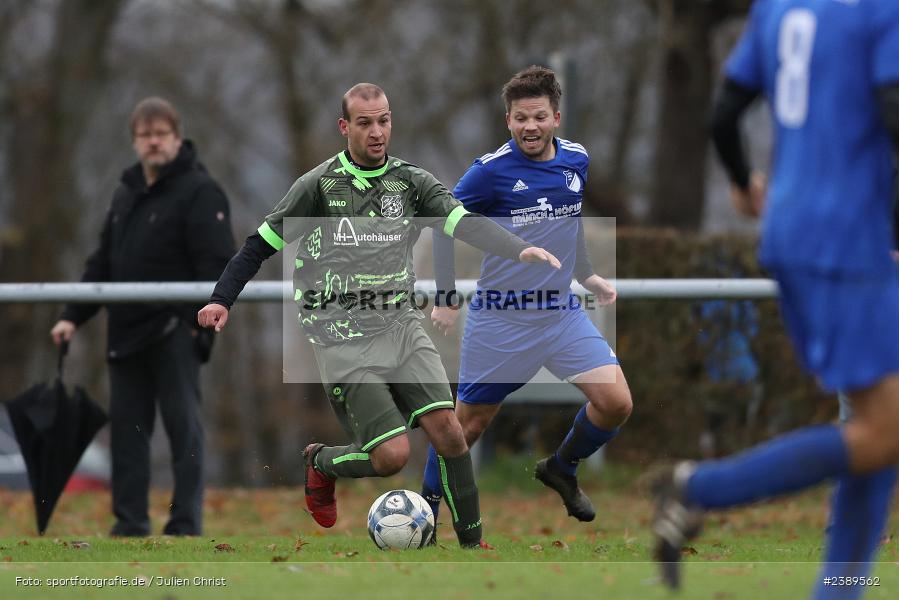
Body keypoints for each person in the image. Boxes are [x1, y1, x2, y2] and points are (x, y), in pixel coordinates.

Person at [197, 83, 562, 548]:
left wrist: (519, 249)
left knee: (450, 432)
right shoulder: (317, 187)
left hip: (401, 324)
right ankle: (322, 463)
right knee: (391, 457)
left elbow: (460, 222)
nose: (377, 131)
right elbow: (257, 247)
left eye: (384, 120)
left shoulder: (411, 182)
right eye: (365, 122)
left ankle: (473, 547)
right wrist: (221, 299)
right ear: (344, 127)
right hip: (341, 334)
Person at [651, 1, 899, 595]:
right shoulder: (880, 11)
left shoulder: (780, 6)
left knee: (879, 430)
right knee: (883, 432)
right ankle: (697, 488)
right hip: (847, 242)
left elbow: (725, 114)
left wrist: (741, 184)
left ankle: (838, 592)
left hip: (793, 231)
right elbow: (894, 115)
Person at [420, 66, 632, 526]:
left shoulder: (576, 160)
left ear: (556, 117)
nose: (529, 127)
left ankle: (561, 468)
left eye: (538, 117)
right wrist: (445, 295)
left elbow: (567, 221)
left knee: (616, 403)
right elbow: (442, 223)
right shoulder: (489, 173)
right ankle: (423, 514)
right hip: (502, 320)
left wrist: (587, 274)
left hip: (560, 316)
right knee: (464, 429)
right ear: (508, 122)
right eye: (520, 118)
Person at [50, 97, 236, 536]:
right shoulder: (125, 192)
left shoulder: (200, 191)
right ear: (135, 141)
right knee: (128, 438)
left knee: (183, 429)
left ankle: (185, 523)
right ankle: (130, 523)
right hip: (125, 331)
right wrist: (72, 316)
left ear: (176, 138)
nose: (153, 142)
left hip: (176, 331)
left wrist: (200, 322)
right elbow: (102, 263)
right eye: (145, 135)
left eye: (161, 134)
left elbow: (219, 264)